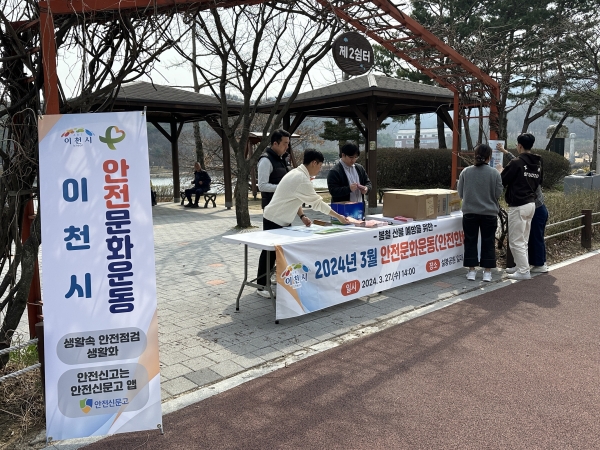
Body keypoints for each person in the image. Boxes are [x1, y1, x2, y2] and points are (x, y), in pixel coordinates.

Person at [256, 149, 349, 298]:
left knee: (278, 252)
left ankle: (273, 277)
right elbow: (317, 204)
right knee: (269, 253)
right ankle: (261, 286)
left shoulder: (297, 174)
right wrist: (338, 217)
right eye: (320, 166)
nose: (320, 169)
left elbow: (295, 198)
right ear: (314, 163)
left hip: (281, 219)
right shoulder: (301, 178)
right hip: (274, 218)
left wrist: (302, 216)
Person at [496, 133, 543, 280]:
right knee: (523, 239)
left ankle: (523, 271)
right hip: (531, 204)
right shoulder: (538, 163)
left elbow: (502, 181)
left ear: (520, 146)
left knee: (516, 240)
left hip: (518, 204)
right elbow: (539, 182)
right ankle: (520, 265)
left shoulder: (516, 163)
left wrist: (500, 171)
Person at [457, 144, 504, 282]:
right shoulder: (494, 173)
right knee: (488, 241)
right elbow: (498, 193)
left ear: (475, 155)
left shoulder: (466, 172)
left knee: (470, 240)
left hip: (470, 212)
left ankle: (471, 271)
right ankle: (487, 272)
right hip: (489, 213)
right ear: (489, 157)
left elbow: (460, 193)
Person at [327, 142, 372, 215]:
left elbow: (368, 183)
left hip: (359, 208)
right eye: (351, 157)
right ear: (343, 155)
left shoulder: (359, 168)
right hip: (342, 209)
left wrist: (366, 188)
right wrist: (349, 189)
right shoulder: (335, 171)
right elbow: (333, 191)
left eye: (356, 157)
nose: (353, 160)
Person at [257, 129, 291, 209]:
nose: (287, 147)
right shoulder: (265, 160)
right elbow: (262, 186)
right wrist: (283, 188)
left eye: (288, 143)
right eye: (285, 143)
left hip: (285, 206)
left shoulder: (283, 159)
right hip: (272, 208)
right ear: (275, 143)